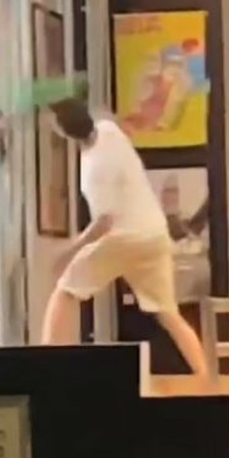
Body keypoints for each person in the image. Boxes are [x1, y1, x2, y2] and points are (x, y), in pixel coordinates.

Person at [40, 98, 210, 382]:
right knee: (168, 313)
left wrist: (69, 250)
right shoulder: (109, 132)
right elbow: (110, 117)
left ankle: (44, 363)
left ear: (64, 131)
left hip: (123, 237)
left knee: (66, 290)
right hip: (154, 236)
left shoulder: (95, 171)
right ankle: (206, 375)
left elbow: (104, 223)